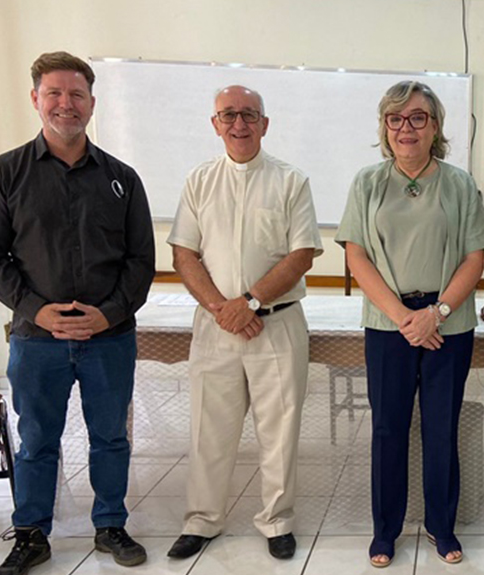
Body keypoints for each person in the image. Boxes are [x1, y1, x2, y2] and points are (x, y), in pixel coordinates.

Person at [0, 51, 155, 574]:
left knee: (110, 436)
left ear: (92, 103)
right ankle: (30, 535)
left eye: (77, 95)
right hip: (36, 339)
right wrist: (37, 311)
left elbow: (140, 262)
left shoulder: (121, 178)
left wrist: (107, 314)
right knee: (38, 440)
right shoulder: (7, 173)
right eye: (55, 94)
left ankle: (110, 524)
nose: (66, 104)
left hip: (108, 339)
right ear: (36, 99)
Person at [336, 80, 484, 568]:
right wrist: (405, 317)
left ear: (436, 126)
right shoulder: (367, 183)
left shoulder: (459, 184)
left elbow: (474, 258)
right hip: (390, 324)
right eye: (396, 119)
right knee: (388, 429)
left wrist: (437, 313)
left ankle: (441, 526)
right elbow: (357, 256)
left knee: (441, 427)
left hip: (447, 323)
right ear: (385, 127)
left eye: (418, 117)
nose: (407, 128)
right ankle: (386, 530)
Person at [166, 85, 322, 561]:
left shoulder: (291, 181)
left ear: (265, 123)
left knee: (279, 428)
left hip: (276, 324)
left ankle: (277, 521)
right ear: (215, 123)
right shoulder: (198, 180)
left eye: (249, 115)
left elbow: (301, 255)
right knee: (209, 428)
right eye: (229, 115)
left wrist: (250, 302)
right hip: (216, 325)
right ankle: (203, 520)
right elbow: (183, 253)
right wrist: (224, 309)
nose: (239, 124)